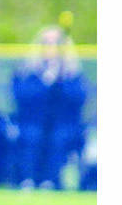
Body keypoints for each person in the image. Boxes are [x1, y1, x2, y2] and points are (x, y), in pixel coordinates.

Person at [11, 25, 88, 189]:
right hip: (33, 120)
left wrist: (58, 80)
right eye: (47, 42)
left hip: (62, 122)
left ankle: (51, 180)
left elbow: (77, 98)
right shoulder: (27, 71)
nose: (51, 47)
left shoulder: (72, 73)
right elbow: (22, 97)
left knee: (59, 138)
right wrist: (44, 82)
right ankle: (28, 179)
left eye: (56, 43)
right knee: (31, 135)